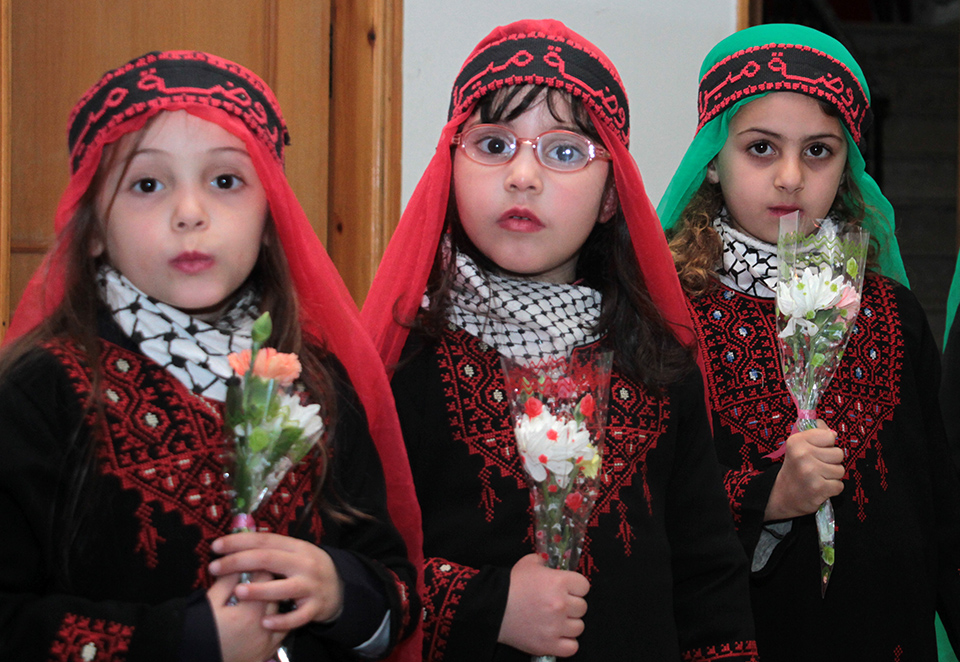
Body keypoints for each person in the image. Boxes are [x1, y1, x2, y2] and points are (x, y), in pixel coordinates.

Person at [0, 51, 422, 662]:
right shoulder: (39, 395)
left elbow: (395, 589)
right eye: (147, 184)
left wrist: (339, 590)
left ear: (271, 217)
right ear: (92, 230)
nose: (190, 213)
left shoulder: (316, 384)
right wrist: (187, 640)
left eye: (225, 181)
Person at [361, 19, 758, 662]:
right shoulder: (405, 362)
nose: (523, 175)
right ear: (450, 167)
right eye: (493, 144)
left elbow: (709, 581)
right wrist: (490, 605)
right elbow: (355, 577)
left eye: (565, 152)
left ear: (611, 197)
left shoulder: (659, 366)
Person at [658, 23, 960, 660]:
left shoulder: (893, 314)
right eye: (761, 148)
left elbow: (941, 512)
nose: (791, 176)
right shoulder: (670, 320)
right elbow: (645, 513)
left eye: (819, 151)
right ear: (712, 159)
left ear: (846, 168)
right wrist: (764, 499)